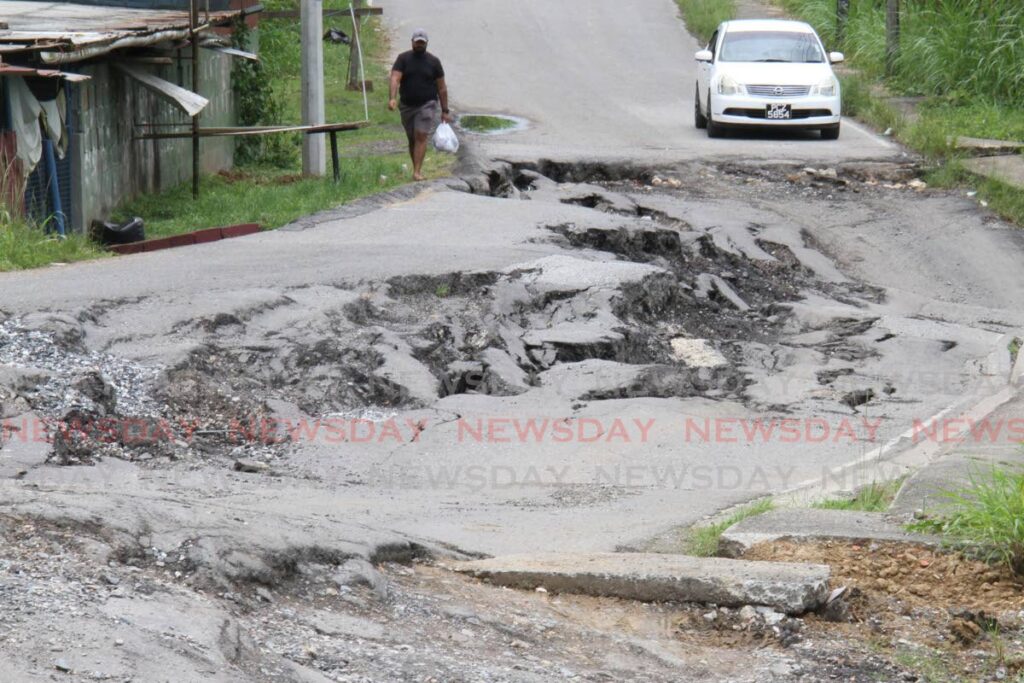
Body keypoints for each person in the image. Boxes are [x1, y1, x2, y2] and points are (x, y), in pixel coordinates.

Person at [388, 29, 452, 181]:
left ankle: (417, 172)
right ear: (412, 42)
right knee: (412, 138)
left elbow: (442, 87)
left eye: (422, 42)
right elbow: (395, 78)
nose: (419, 45)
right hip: (406, 105)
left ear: (426, 43)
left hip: (427, 104)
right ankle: (416, 165)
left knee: (421, 135)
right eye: (417, 42)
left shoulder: (434, 62)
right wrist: (392, 98)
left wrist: (445, 110)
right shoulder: (403, 59)